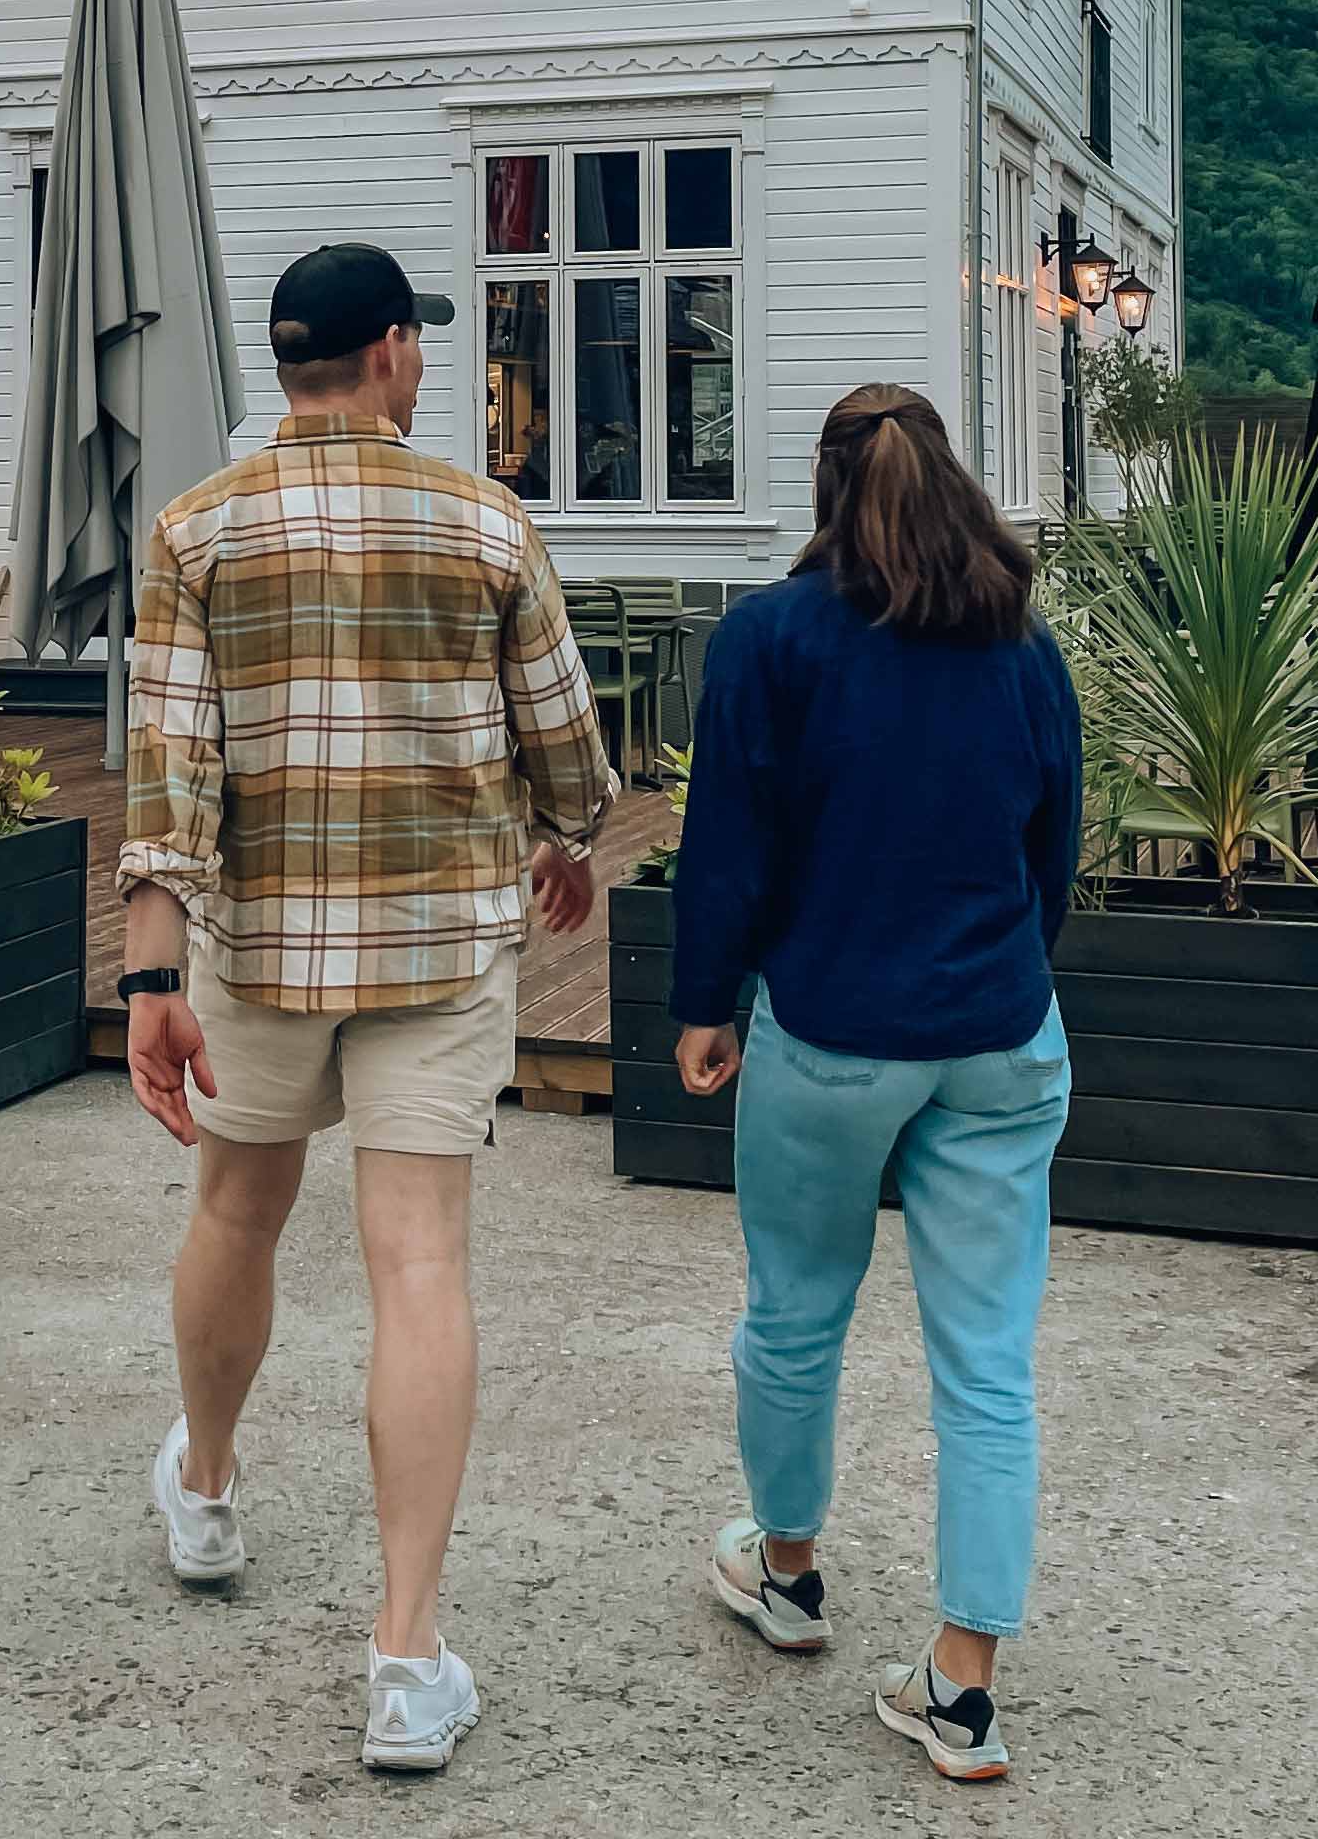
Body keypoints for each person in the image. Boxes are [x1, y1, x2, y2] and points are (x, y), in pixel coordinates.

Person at [116, 243, 617, 1776]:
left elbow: (170, 773)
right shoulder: (488, 522)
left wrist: (150, 976)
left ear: (292, 366)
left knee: (236, 1213)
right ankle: (405, 1659)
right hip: (437, 949)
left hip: (258, 944)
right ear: (394, 352)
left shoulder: (195, 530)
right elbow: (568, 753)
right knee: (418, 1263)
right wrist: (568, 833)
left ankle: (208, 1490)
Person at [669, 382, 1081, 1788]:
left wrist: (706, 1004)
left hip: (831, 1032)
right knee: (988, 1367)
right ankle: (962, 1690)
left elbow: (728, 841)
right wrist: (1003, 971)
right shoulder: (1023, 645)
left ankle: (786, 1574)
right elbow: (1052, 850)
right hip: (1001, 1034)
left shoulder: (769, 639)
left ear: (826, 488)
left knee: (795, 1314)